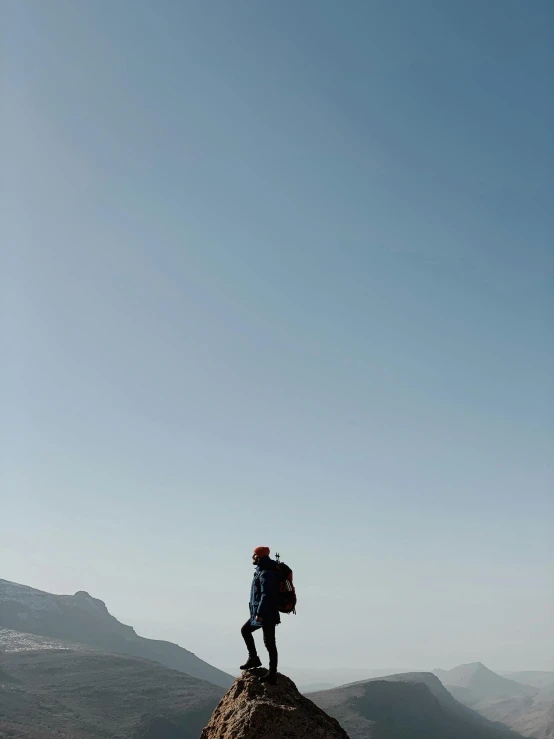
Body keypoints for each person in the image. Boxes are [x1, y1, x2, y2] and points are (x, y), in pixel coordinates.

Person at [240, 546, 280, 685]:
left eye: (254, 555)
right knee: (246, 630)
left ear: (260, 556)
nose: (253, 557)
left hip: (266, 614)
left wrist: (259, 613)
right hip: (262, 612)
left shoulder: (266, 573)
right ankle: (254, 658)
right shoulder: (261, 571)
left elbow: (266, 595)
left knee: (269, 643)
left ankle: (272, 674)